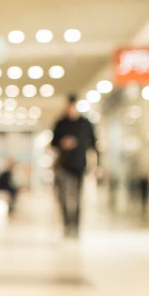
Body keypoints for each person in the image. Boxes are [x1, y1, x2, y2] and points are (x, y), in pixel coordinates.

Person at [51, 94, 99, 238]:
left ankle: (76, 226)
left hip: (79, 165)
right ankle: (67, 225)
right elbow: (53, 143)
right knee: (65, 197)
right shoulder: (61, 123)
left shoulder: (85, 124)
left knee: (78, 198)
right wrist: (62, 143)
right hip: (63, 165)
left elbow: (93, 144)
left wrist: (96, 165)